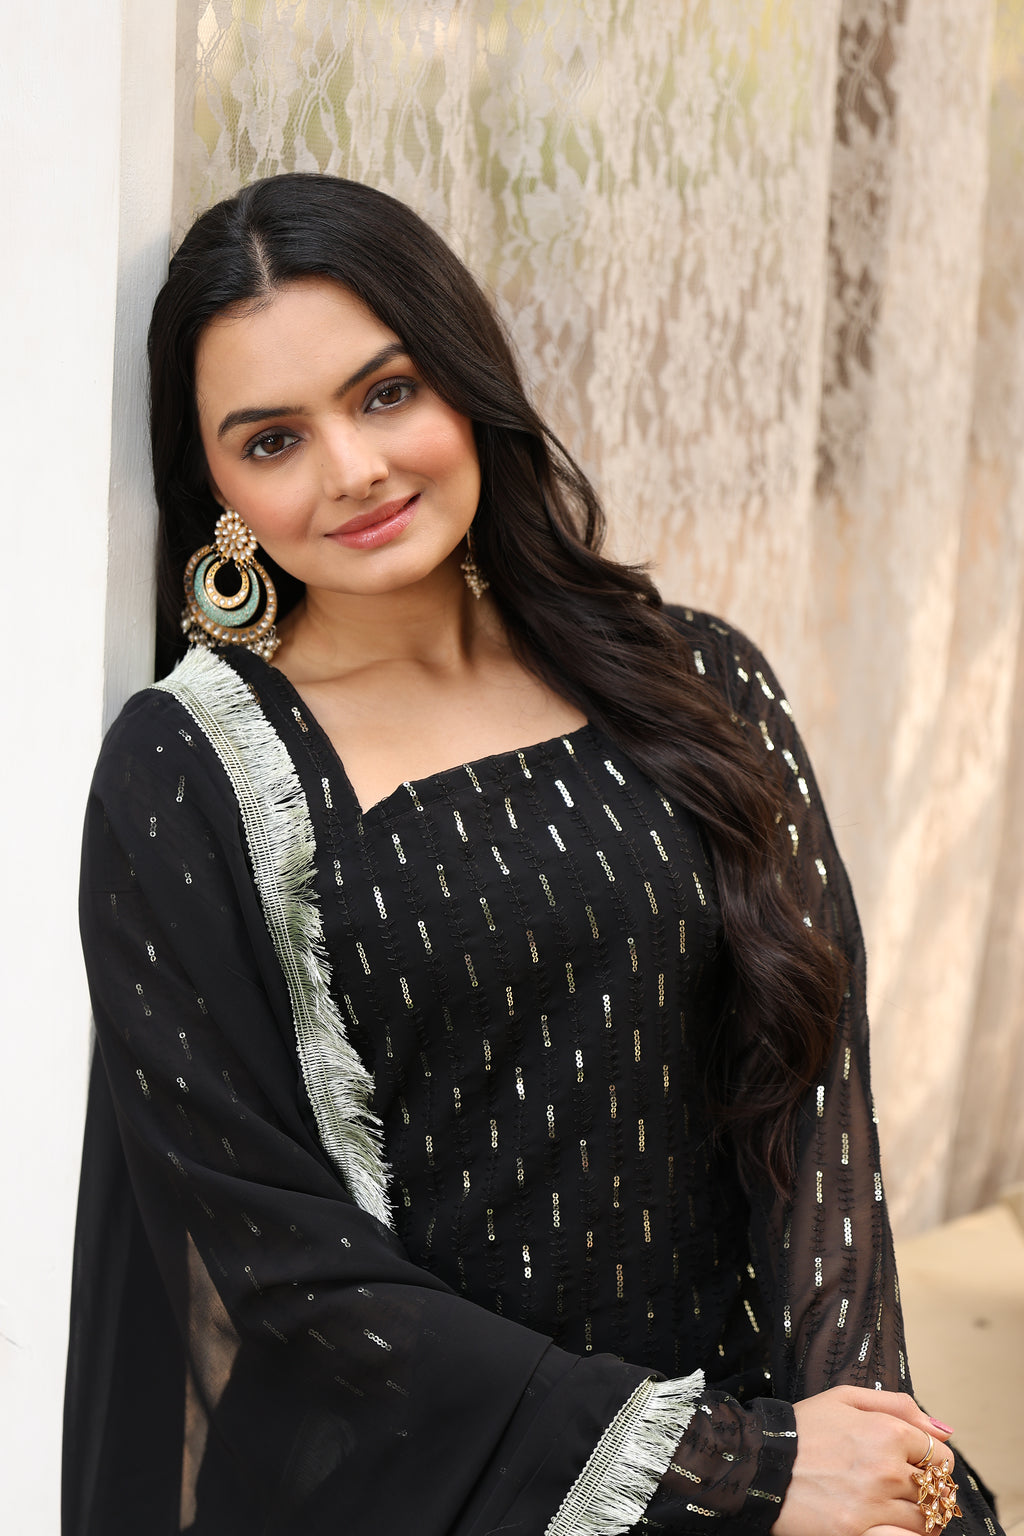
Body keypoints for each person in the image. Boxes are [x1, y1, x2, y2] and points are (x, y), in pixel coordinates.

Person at [63, 173, 1002, 1536]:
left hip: (759, 1446)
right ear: (212, 489)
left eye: (385, 394)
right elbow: (281, 1264)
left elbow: (806, 1093)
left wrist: (864, 1456)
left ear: (465, 381)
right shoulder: (192, 774)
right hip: (426, 1486)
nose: (355, 470)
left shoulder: (694, 680)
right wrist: (732, 1476)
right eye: (272, 440)